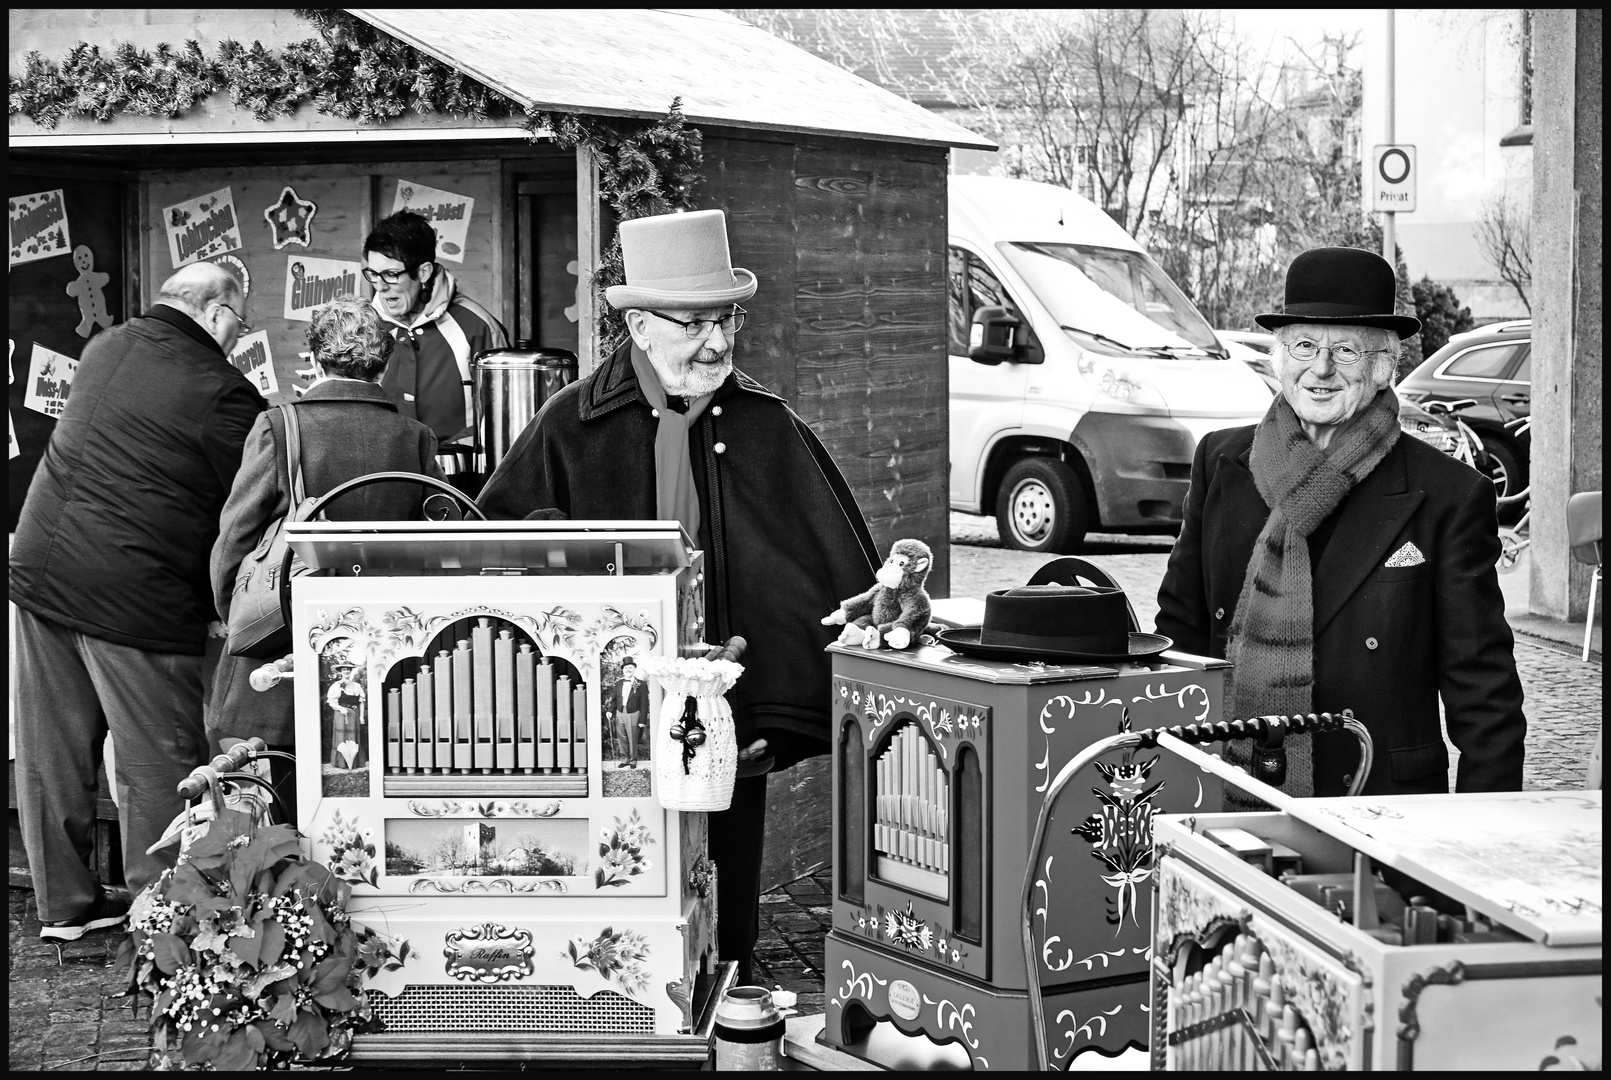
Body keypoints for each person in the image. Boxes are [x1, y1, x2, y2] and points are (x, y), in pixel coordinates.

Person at [478, 208, 879, 982]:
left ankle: (729, 1006)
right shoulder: (568, 425)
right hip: (599, 721)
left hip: (727, 709)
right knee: (619, 891)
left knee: (725, 908)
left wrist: (779, 709)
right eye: (695, 322)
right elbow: (494, 553)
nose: (719, 342)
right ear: (637, 322)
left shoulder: (766, 424)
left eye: (726, 319)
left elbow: (826, 569)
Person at [1155, 247, 1526, 802]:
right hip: (1228, 791)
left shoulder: (1449, 495)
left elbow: (1484, 693)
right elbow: (1179, 637)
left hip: (1377, 802)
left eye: (1346, 351)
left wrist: (1477, 836)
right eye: (1304, 345)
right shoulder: (1222, 464)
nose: (1321, 369)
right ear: (1280, 357)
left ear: (1383, 365)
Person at [10, 261, 265, 940]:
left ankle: (64, 906)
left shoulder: (106, 347)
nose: (240, 337)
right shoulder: (225, 393)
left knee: (51, 754)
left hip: (40, 572)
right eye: (240, 322)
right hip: (135, 595)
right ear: (215, 312)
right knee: (160, 760)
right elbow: (247, 510)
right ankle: (167, 918)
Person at [208, 295, 447, 818]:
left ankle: (285, 891)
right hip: (381, 647)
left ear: (315, 357)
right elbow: (439, 544)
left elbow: (234, 538)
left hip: (282, 647)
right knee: (363, 789)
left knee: (270, 798)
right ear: (381, 364)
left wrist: (237, 618)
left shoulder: (280, 426)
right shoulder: (416, 438)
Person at [362, 209, 508, 471]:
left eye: (391, 274)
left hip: (462, 482)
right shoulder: (364, 328)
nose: (380, 286)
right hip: (382, 478)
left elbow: (501, 419)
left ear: (424, 272)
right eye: (373, 274)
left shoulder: (477, 326)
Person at [612, 657, 649, 768]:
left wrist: (642, 720)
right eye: (626, 668)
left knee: (632, 736)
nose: (628, 669)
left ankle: (633, 760)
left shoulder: (641, 684)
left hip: (633, 713)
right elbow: (615, 699)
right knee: (621, 736)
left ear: (634, 669)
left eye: (630, 667)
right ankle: (625, 759)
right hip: (620, 712)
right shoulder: (618, 683)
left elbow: (644, 704)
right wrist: (610, 711)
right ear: (623, 670)